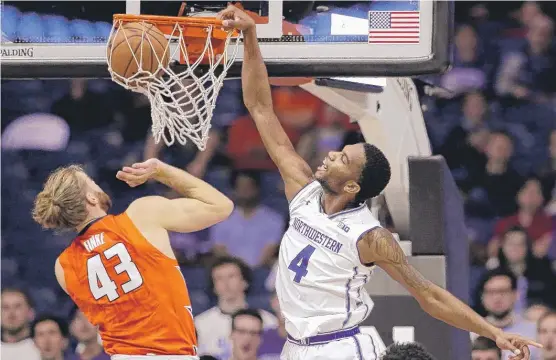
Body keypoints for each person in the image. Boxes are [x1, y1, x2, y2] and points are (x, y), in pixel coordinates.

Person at [217, 5, 542, 360]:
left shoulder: (369, 236)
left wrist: (494, 332)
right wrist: (250, 35)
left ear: (354, 186)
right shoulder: (302, 189)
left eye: (343, 158)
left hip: (340, 347)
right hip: (294, 346)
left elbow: (429, 295)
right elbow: (261, 107)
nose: (330, 155)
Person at [32, 159, 234, 358]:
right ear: (91, 199)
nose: (98, 185)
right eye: (92, 183)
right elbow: (221, 206)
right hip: (170, 352)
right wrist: (162, 172)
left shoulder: (63, 266)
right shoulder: (140, 215)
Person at [195, 257, 277, 359]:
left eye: (231, 276)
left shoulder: (267, 321)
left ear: (244, 282)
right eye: (219, 278)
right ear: (214, 287)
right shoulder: (199, 323)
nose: (226, 283)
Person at [1, 288, 40, 360]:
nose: (11, 313)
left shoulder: (43, 350)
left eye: (17, 307)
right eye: (5, 307)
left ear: (31, 313)